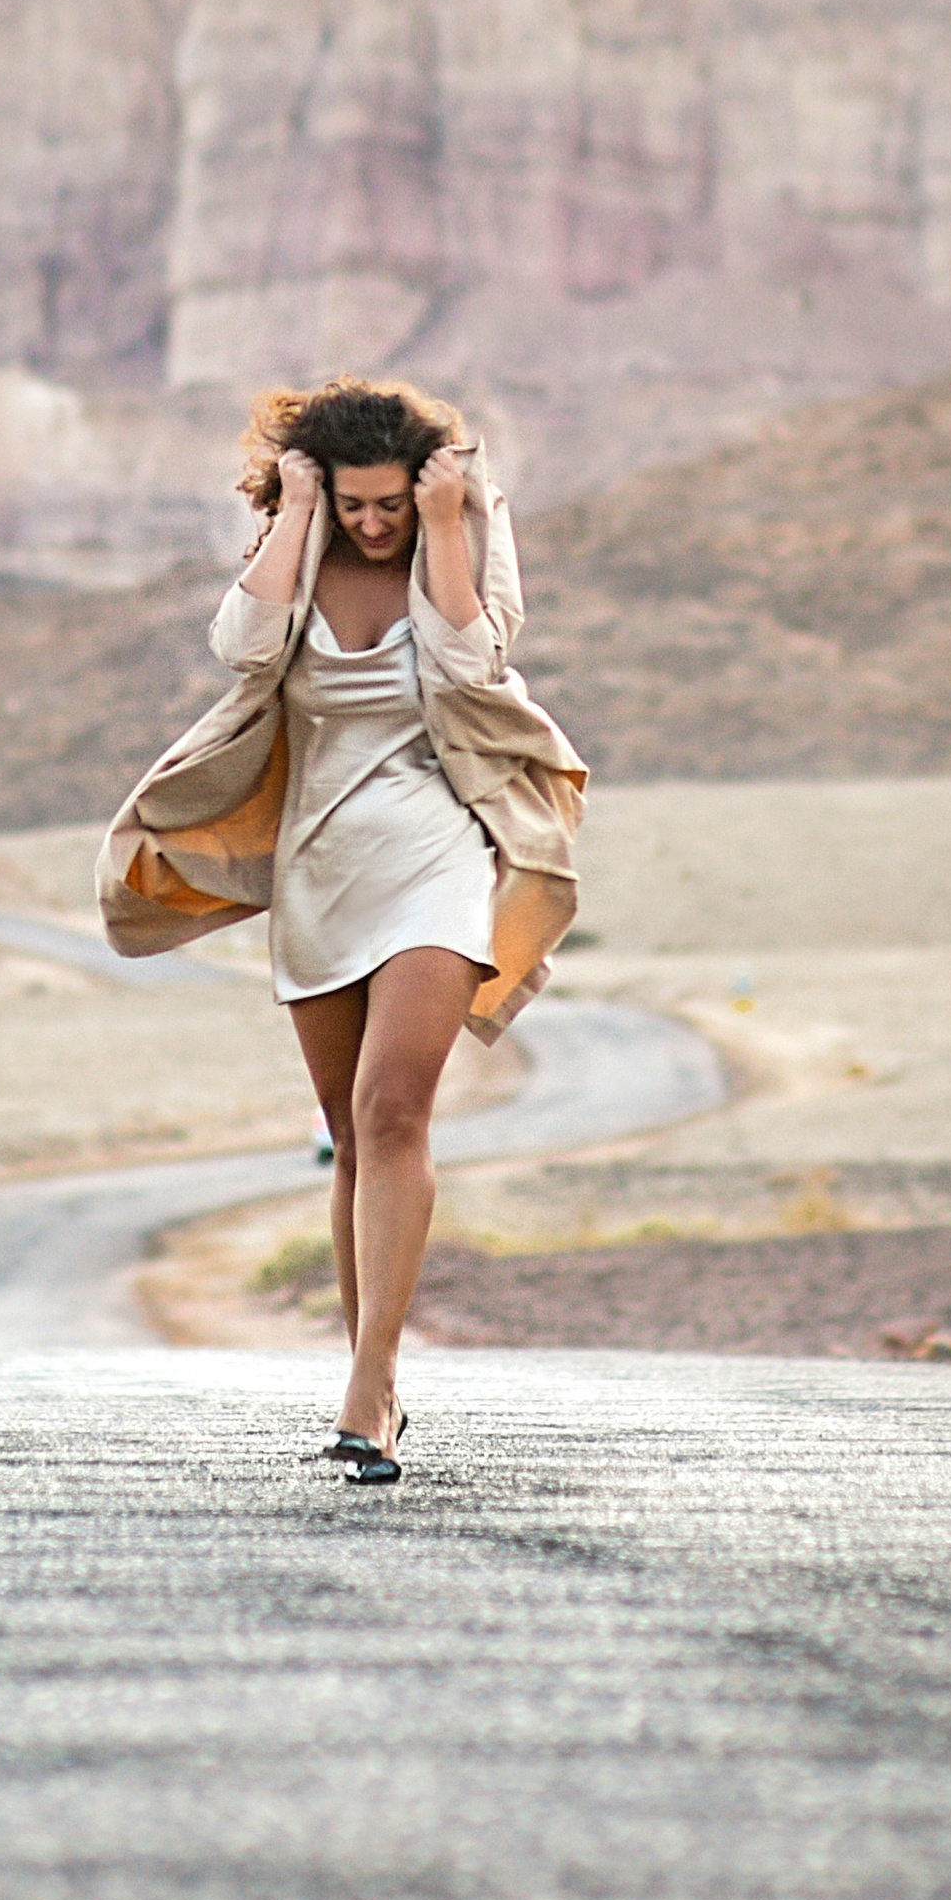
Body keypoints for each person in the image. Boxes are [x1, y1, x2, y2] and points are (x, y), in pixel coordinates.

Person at [99, 378, 587, 1482]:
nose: (375, 524)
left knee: (392, 1106)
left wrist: (451, 523)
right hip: (322, 864)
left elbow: (473, 661)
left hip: (437, 852)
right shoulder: (305, 538)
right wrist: (298, 513)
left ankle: (368, 1386)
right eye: (356, 505)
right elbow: (243, 645)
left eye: (389, 506)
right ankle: (376, 1379)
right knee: (348, 1129)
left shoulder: (460, 527)